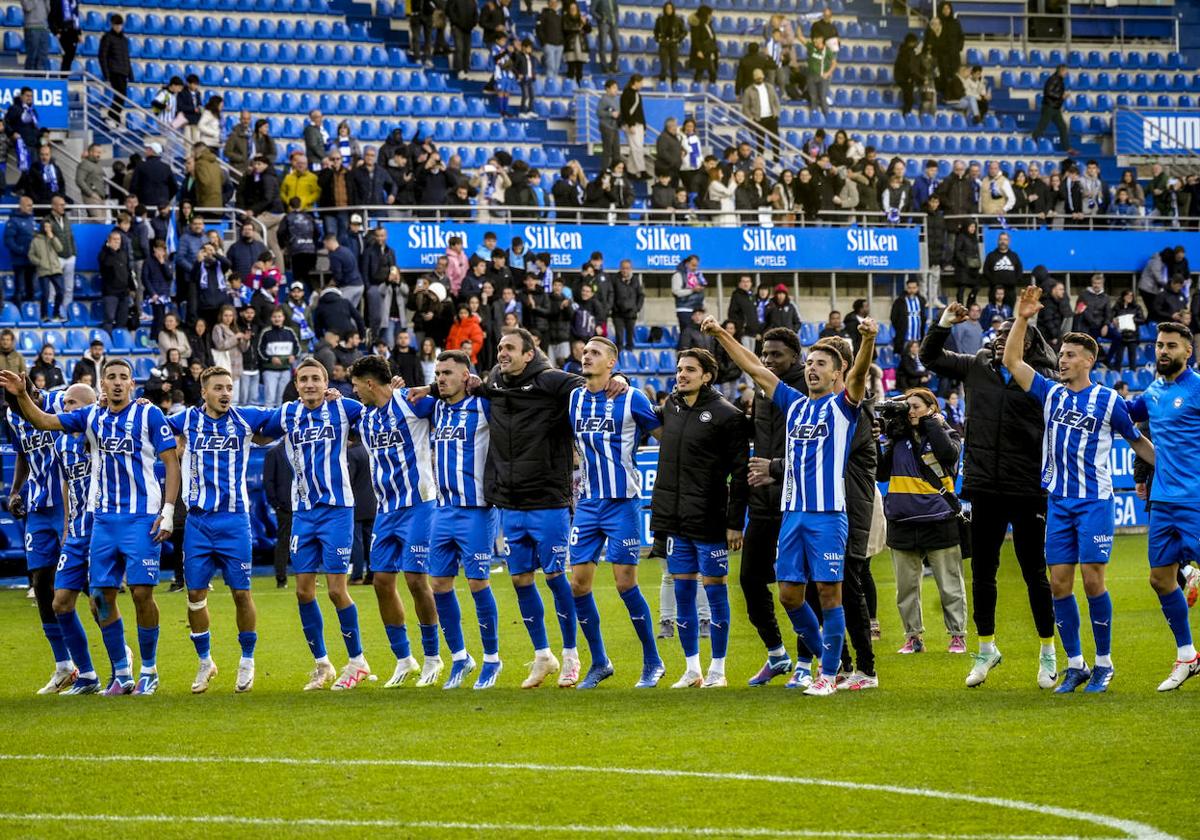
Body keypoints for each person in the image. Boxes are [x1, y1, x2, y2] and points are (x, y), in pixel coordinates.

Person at [703, 315, 877, 695]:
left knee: (830, 595)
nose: (813, 369)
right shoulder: (794, 405)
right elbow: (752, 366)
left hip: (828, 516)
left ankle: (828, 676)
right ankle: (834, 663)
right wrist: (721, 334)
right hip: (792, 515)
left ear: (837, 374)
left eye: (821, 364)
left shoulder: (844, 409)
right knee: (789, 596)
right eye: (810, 363)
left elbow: (861, 375)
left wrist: (867, 340)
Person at [1004, 286, 1155, 693]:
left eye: (1070, 355)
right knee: (1058, 583)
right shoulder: (1050, 392)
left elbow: (1136, 441)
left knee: (1092, 580)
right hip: (1058, 502)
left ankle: (1104, 662)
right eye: (1062, 354)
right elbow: (1012, 360)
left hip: (1094, 501)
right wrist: (1023, 318)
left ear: (1088, 361)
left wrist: (1170, 467)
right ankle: (1076, 664)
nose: (1062, 360)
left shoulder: (1108, 401)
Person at [1, 360, 180, 696]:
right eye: (110, 377)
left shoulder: (148, 414)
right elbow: (43, 421)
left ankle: (149, 669)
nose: (116, 383)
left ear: (132, 383)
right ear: (103, 383)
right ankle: (119, 674)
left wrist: (168, 511)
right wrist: (23, 394)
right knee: (98, 596)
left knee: (142, 593)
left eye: (123, 378)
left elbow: (171, 459)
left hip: (141, 517)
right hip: (101, 521)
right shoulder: (89, 421)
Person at [921, 302, 1059, 689]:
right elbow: (929, 356)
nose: (1000, 341)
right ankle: (985, 650)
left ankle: (1048, 652)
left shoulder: (1045, 379)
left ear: (1029, 344)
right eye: (997, 336)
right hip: (983, 485)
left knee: (1035, 573)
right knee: (983, 571)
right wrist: (944, 323)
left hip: (1028, 488)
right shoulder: (977, 366)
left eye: (1010, 336)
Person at [257, 359, 370, 691]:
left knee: (337, 590)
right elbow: (259, 428)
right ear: (296, 383)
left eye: (315, 379)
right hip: (303, 513)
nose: (309, 384)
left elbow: (378, 412)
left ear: (326, 382)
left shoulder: (344, 408)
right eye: (304, 379)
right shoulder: (288, 414)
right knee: (303, 591)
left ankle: (357, 660)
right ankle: (323, 665)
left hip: (337, 510)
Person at [567, 337, 665, 688]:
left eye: (595, 353)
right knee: (578, 585)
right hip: (588, 504)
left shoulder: (631, 397)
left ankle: (653, 661)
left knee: (626, 583)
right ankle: (600, 662)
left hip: (622, 502)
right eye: (585, 351)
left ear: (612, 363)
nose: (586, 355)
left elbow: (664, 434)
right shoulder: (575, 397)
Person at [647, 347, 748, 688]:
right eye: (679, 369)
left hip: (710, 519)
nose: (681, 374)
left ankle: (718, 669)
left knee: (715, 592)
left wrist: (735, 523)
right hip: (676, 521)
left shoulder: (727, 415)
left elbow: (741, 474)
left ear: (707, 376)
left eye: (689, 369)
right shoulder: (671, 407)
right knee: (683, 593)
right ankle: (692, 669)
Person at [166, 367, 268, 694]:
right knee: (194, 595)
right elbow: (150, 424)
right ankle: (205, 661)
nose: (225, 393)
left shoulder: (246, 418)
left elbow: (286, 416)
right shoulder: (185, 420)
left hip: (234, 520)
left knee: (241, 592)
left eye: (229, 387)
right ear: (204, 392)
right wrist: (141, 405)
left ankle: (247, 659)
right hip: (197, 522)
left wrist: (326, 397)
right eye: (218, 388)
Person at [347, 356, 445, 688]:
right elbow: (341, 408)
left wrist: (429, 387)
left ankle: (434, 656)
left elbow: (451, 396)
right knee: (382, 583)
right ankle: (405, 659)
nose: (355, 391)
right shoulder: (364, 417)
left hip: (420, 505)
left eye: (356, 385)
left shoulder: (411, 403)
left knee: (417, 580)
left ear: (370, 383)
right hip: (386, 511)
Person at [411, 350, 500, 688]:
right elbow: (407, 397)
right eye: (437, 373)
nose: (440, 378)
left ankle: (492, 659)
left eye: (447, 372)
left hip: (476, 509)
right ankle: (461, 656)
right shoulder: (435, 407)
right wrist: (429, 387)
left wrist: (485, 385)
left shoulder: (484, 406)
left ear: (466, 376)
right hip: (442, 510)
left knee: (478, 584)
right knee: (439, 585)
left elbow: (504, 396)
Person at [1127, 322, 1200, 691]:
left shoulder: (1198, 388)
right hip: (1163, 501)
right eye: (1158, 345)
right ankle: (1187, 656)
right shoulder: (1152, 392)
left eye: (1171, 345)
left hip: (1196, 500)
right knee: (1160, 579)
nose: (1163, 351)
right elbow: (1125, 416)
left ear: (1188, 351)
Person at [736, 327, 804, 685]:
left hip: (799, 502)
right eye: (764, 354)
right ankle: (777, 654)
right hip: (763, 502)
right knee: (750, 580)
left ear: (795, 355)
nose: (767, 361)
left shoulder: (807, 389)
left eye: (776, 354)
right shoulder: (762, 393)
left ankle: (808, 661)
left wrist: (777, 471)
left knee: (799, 586)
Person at [877, 387, 967, 655]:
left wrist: (932, 423)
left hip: (939, 518)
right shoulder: (897, 439)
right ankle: (913, 637)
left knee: (949, 584)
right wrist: (880, 439)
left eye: (916, 406)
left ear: (932, 408)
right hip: (902, 520)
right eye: (908, 407)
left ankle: (957, 635)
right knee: (905, 588)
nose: (911, 411)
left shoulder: (945, 433)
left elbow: (949, 454)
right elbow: (881, 474)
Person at [4, 377, 69, 693]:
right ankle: (62, 665)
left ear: (34, 393)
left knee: (80, 581)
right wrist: (16, 489)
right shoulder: (11, 415)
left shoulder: (61, 401)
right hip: (39, 507)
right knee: (42, 582)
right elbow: (21, 452)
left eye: (26, 403)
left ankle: (117, 654)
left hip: (69, 504)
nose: (23, 411)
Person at [46, 382, 101, 693]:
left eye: (72, 404)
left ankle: (122, 664)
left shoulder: (102, 435)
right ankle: (88, 676)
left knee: (99, 604)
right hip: (77, 529)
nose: (66, 409)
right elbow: (67, 483)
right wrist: (67, 522)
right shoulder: (61, 443)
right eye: (64, 403)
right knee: (61, 602)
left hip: (102, 526)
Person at [1031, 64, 1076, 155]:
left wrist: (1061, 99)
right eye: (1065, 71)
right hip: (1049, 107)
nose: (1066, 73)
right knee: (1042, 126)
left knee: (1062, 127)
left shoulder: (1059, 80)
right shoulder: (1053, 79)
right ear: (1061, 70)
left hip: (1055, 108)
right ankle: (1032, 143)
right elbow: (1048, 92)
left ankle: (1067, 148)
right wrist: (1061, 96)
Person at [97, 14, 132, 125]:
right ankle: (114, 116)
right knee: (120, 95)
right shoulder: (107, 37)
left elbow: (127, 56)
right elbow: (102, 56)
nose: (118, 27)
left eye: (120, 25)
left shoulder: (125, 40)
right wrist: (106, 74)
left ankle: (114, 116)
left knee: (122, 96)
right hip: (114, 71)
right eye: (116, 25)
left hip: (123, 72)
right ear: (112, 25)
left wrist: (130, 73)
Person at [741, 68, 781, 158]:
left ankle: (776, 160)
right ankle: (759, 160)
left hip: (771, 117)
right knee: (760, 142)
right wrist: (751, 118)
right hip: (758, 119)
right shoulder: (748, 91)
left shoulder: (770, 87)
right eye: (758, 78)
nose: (760, 80)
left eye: (761, 78)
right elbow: (745, 107)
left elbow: (776, 101)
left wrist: (777, 113)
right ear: (754, 79)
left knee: (775, 141)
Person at [619, 75, 648, 181]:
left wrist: (644, 126)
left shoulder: (637, 94)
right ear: (635, 82)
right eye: (641, 82)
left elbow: (640, 111)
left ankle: (631, 171)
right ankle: (642, 170)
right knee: (637, 148)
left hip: (639, 124)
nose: (642, 85)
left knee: (634, 148)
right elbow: (625, 110)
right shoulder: (626, 93)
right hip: (632, 124)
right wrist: (630, 124)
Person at [890, 278, 926, 357]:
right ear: (906, 288)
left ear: (917, 288)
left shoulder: (921, 300)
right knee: (905, 360)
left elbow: (923, 317)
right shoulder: (900, 301)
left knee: (918, 360)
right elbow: (893, 317)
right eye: (909, 288)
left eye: (914, 288)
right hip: (905, 338)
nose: (912, 290)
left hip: (918, 337)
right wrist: (900, 328)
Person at [802, 33, 836, 117]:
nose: (815, 42)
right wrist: (799, 25)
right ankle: (814, 117)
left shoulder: (828, 51)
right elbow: (800, 38)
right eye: (815, 40)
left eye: (817, 40)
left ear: (822, 41)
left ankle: (827, 117)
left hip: (823, 77)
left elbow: (834, 63)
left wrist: (828, 73)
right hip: (811, 76)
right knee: (813, 98)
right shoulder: (811, 47)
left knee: (822, 98)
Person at [653, 1, 686, 84]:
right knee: (664, 67)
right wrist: (658, 39)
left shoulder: (678, 19)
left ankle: (674, 86)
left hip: (673, 44)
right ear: (664, 9)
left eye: (670, 8)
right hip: (663, 44)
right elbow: (655, 31)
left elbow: (684, 32)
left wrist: (678, 40)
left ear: (673, 9)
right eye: (667, 8)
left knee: (674, 68)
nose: (669, 10)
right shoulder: (659, 20)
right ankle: (662, 85)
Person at [687, 5, 718, 85]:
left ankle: (711, 88)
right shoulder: (697, 25)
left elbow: (712, 37)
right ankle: (696, 88)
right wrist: (699, 50)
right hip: (702, 52)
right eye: (709, 14)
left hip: (709, 51)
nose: (711, 16)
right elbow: (695, 40)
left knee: (709, 72)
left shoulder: (708, 24)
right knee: (703, 72)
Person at [535, 0, 563, 78]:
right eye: (552, 2)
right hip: (549, 45)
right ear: (548, 3)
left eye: (555, 2)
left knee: (556, 68)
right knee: (551, 67)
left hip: (559, 45)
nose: (554, 4)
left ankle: (553, 85)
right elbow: (539, 29)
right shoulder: (543, 15)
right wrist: (544, 42)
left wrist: (562, 42)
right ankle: (550, 85)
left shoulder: (559, 17)